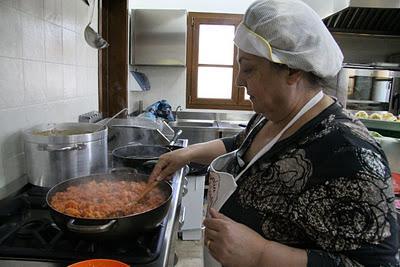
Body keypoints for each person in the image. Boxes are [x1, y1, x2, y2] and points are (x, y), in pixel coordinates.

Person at [149, 0, 399, 266]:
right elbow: (241, 145)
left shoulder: (349, 152)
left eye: (248, 69)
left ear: (292, 69)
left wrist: (261, 254)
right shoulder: (269, 115)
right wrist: (185, 155)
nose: (238, 81)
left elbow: (378, 263)